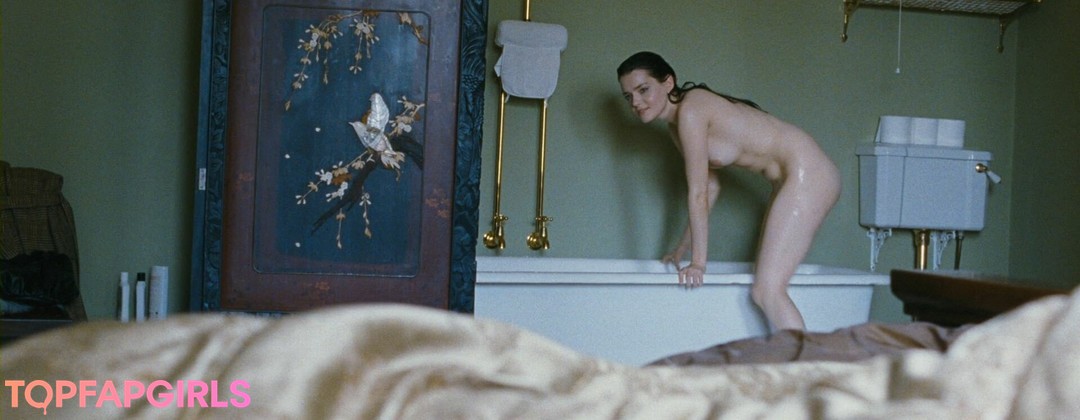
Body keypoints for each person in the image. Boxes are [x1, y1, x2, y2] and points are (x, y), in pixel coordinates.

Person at [616, 51, 840, 331]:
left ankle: (805, 360)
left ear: (668, 82)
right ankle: (793, 355)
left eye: (643, 90)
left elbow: (698, 193)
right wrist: (681, 250)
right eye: (628, 96)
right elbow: (710, 188)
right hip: (793, 179)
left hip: (809, 171)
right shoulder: (678, 126)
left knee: (767, 290)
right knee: (765, 289)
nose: (636, 102)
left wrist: (699, 264)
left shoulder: (692, 111)